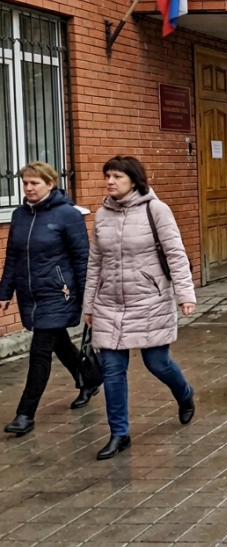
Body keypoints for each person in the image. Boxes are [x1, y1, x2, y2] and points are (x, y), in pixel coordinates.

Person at [83, 156, 197, 460]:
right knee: (112, 370)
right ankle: (119, 434)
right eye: (107, 176)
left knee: (157, 363)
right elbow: (95, 262)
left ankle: (185, 395)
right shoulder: (102, 215)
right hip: (109, 303)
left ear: (133, 179)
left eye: (117, 176)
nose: (110, 181)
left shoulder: (155, 210)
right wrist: (89, 305)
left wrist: (185, 294)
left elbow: (175, 253)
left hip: (149, 299)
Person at [0, 162, 94, 437]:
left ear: (50, 184)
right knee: (59, 342)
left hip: (59, 292)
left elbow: (82, 259)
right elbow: (13, 257)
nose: (28, 188)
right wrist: (4, 292)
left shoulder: (68, 215)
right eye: (25, 183)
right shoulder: (19, 215)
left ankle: (24, 414)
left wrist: (88, 297)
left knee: (40, 351)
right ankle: (90, 378)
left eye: (34, 183)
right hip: (32, 293)